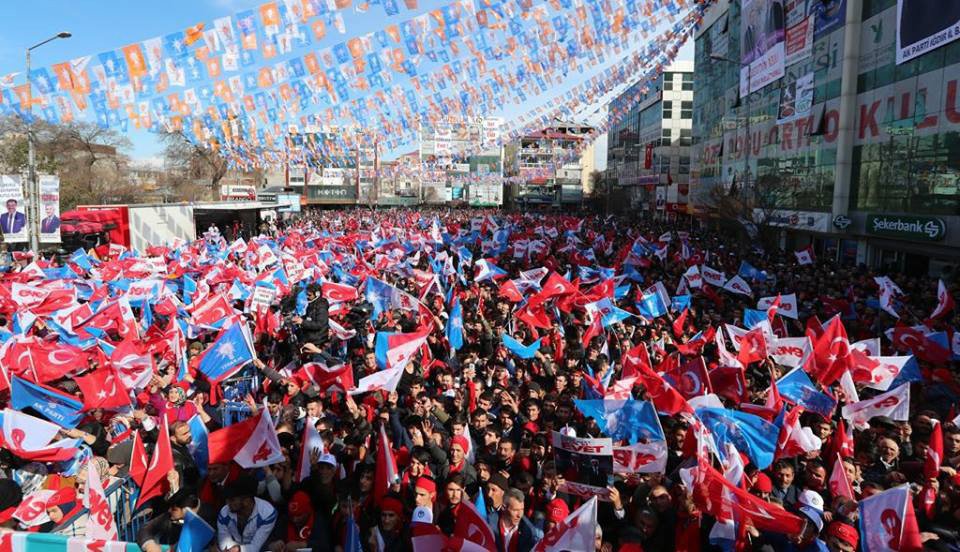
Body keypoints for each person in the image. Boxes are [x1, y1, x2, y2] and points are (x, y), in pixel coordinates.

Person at [216, 478, 277, 552]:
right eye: (227, 499)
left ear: (247, 501)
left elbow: (255, 546)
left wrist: (238, 549)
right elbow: (224, 541)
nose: (227, 503)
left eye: (232, 500)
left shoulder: (267, 513)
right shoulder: (224, 512)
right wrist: (230, 549)